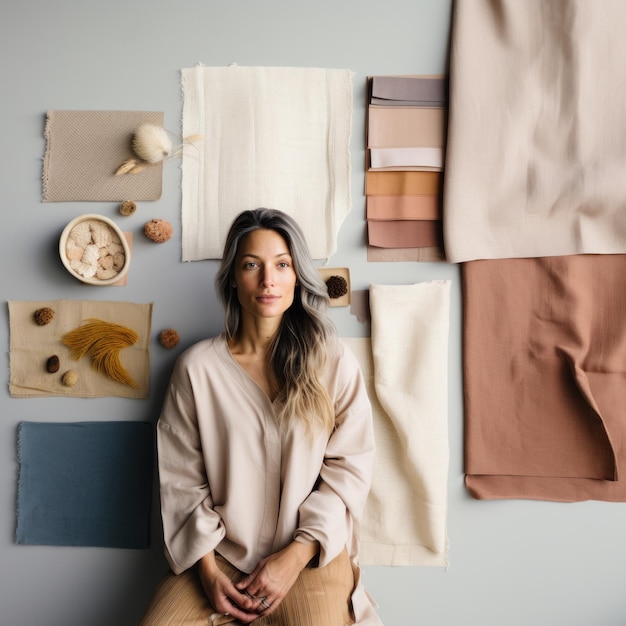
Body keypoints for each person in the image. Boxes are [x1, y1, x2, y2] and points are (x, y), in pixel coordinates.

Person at [140, 208, 381, 625]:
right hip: (220, 556)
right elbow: (180, 479)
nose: (268, 280)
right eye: (252, 265)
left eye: (282, 265)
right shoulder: (197, 369)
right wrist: (209, 572)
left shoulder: (332, 361)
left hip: (309, 556)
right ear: (233, 277)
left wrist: (296, 554)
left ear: (295, 276)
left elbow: (351, 466)